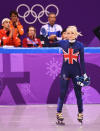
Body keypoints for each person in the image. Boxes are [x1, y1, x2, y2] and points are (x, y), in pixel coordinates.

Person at [47, 26, 89, 124]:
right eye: (68, 33)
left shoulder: (80, 45)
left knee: (78, 93)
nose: (69, 35)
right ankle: (59, 112)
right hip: (65, 71)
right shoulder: (62, 43)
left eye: (72, 33)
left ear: (75, 34)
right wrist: (48, 38)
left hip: (76, 72)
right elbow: (50, 44)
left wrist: (85, 74)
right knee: (62, 92)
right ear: (65, 34)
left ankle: (80, 112)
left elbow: (82, 62)